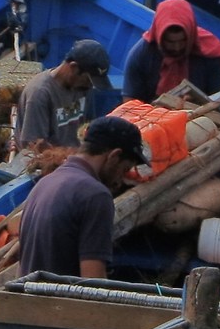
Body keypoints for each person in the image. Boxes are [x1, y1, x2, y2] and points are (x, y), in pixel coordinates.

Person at [17, 115, 150, 280]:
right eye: (124, 169)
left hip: (27, 301)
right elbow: (93, 283)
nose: (119, 181)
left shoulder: (45, 183)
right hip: (60, 304)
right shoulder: (95, 195)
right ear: (114, 156)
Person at [11, 37, 113, 166]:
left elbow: (89, 127)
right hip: (48, 164)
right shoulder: (40, 94)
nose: (90, 86)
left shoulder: (84, 87)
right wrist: (73, 157)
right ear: (74, 67)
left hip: (76, 158)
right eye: (88, 80)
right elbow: (34, 146)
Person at [120, 0, 220, 103]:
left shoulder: (212, 53)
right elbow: (130, 101)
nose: (177, 48)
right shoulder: (141, 54)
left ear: (190, 34)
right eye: (170, 42)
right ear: (160, 37)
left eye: (182, 41)